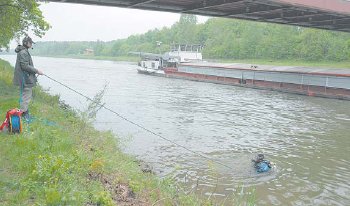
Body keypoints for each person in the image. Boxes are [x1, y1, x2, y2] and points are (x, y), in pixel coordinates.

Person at [13, 36, 44, 120]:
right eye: (30, 43)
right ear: (26, 43)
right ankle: (23, 114)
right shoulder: (23, 52)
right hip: (24, 78)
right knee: (26, 95)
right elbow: (25, 66)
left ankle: (24, 112)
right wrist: (37, 71)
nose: (31, 44)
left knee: (25, 95)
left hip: (24, 77)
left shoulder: (23, 51)